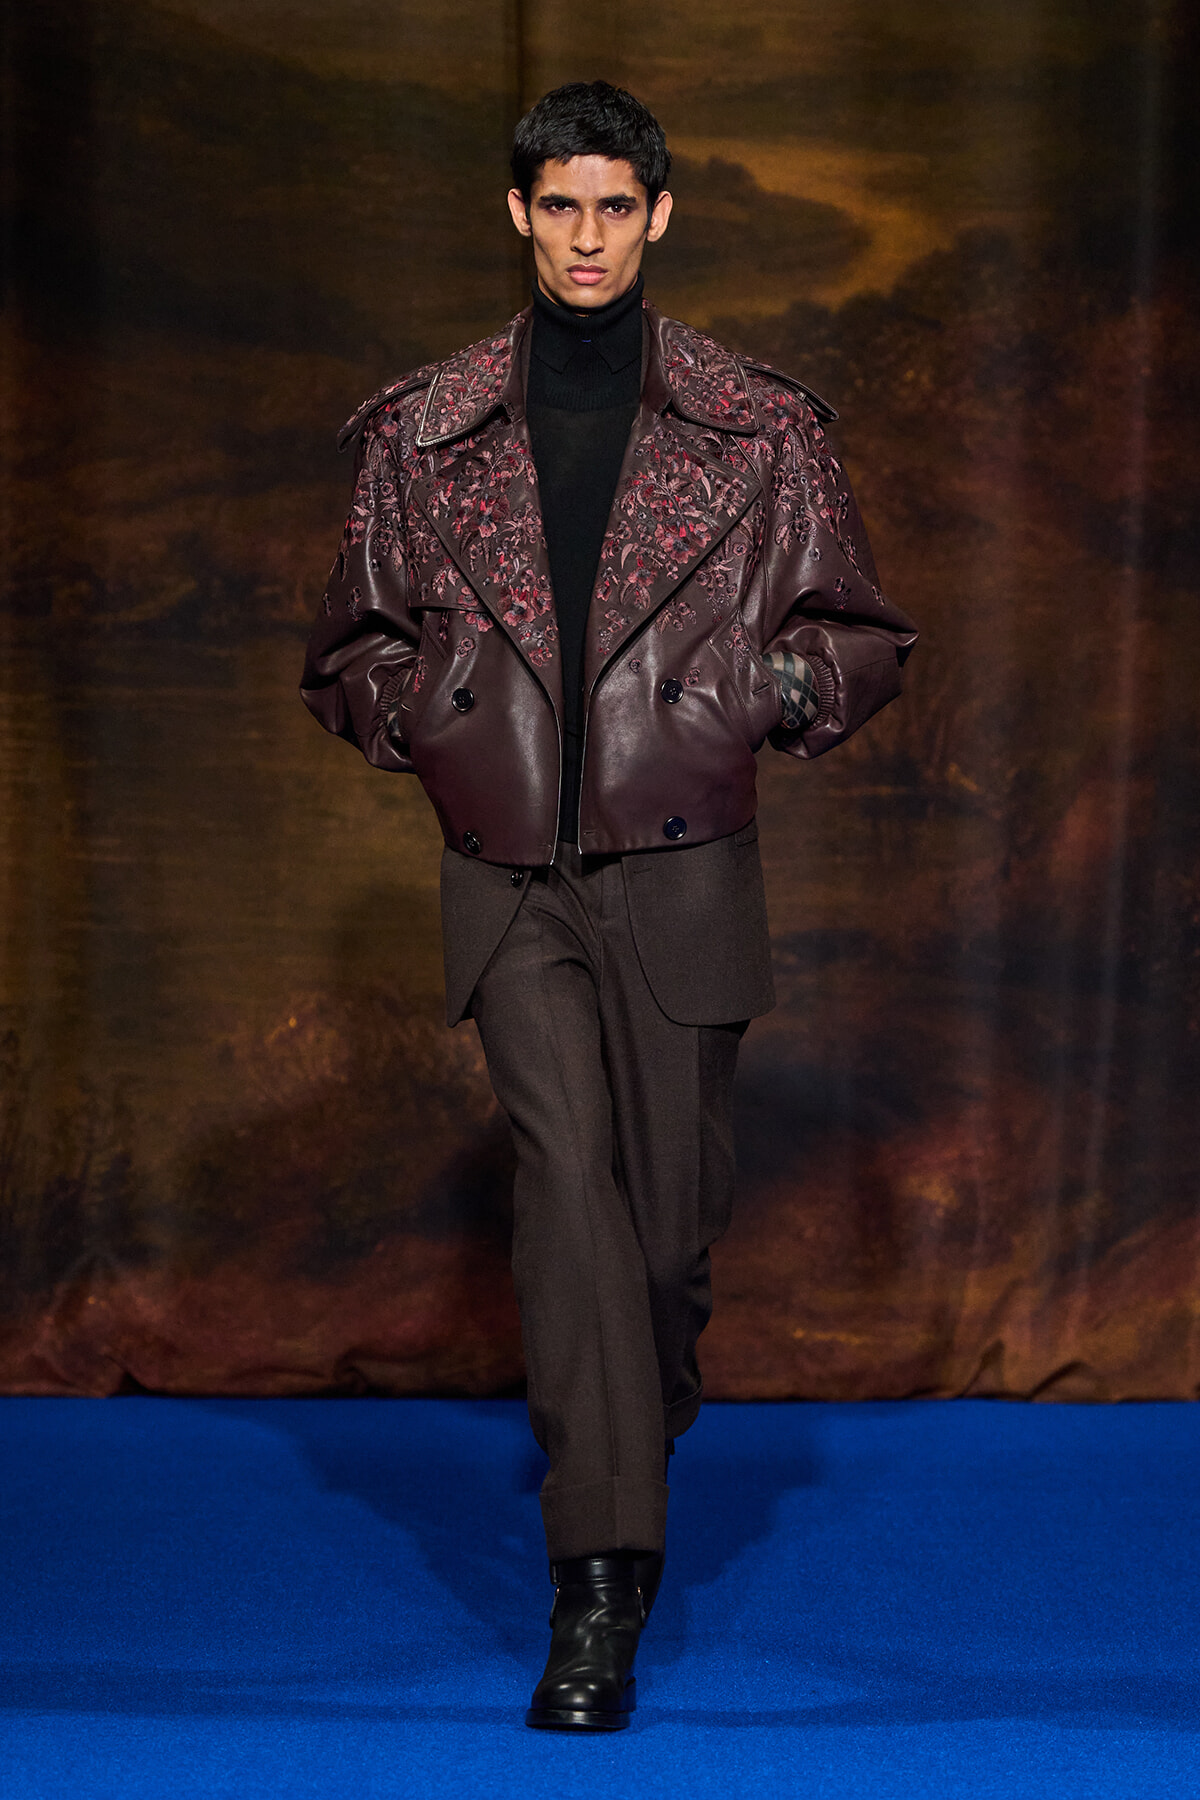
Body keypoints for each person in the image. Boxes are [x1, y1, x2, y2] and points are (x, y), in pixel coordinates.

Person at [301, 81, 917, 1731]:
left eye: (613, 209)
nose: (585, 239)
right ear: (517, 213)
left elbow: (863, 637)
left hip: (686, 862)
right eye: (556, 208)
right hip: (511, 881)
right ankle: (595, 1596)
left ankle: (635, 1412)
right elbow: (346, 652)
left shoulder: (758, 427)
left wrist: (758, 685)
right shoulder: (424, 432)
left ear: (659, 216)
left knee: (660, 1240)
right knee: (567, 1194)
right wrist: (430, 714)